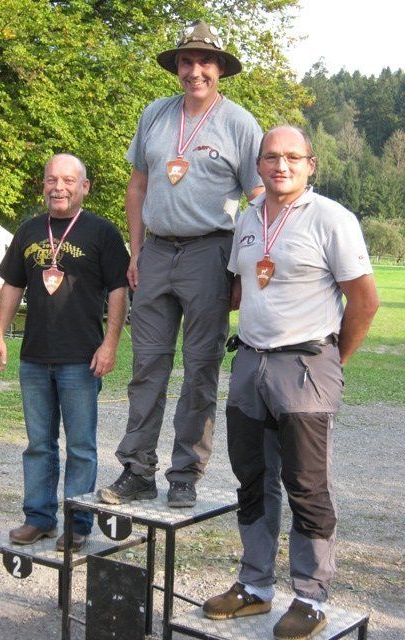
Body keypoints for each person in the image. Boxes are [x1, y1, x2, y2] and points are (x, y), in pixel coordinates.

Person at [202, 126, 379, 639]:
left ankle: (310, 597)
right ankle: (255, 586)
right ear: (258, 165)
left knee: (306, 485)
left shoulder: (332, 219)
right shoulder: (248, 219)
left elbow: (365, 301)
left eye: (293, 157)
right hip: (250, 365)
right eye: (272, 157)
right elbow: (240, 290)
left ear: (310, 164)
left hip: (305, 366)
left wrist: (331, 361)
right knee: (252, 479)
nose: (282, 165)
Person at [97, 20, 263, 509]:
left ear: (220, 69)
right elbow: (137, 187)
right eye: (186, 62)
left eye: (205, 62)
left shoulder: (239, 123)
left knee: (200, 368)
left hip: (210, 253)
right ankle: (137, 470)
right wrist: (136, 250)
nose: (195, 71)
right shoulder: (155, 114)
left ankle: (185, 474)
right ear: (176, 68)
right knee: (147, 366)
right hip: (156, 251)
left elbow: (259, 198)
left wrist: (244, 268)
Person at [0, 154, 129, 552]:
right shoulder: (29, 230)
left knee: (81, 447)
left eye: (68, 180)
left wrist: (110, 344)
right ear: (43, 185)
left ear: (84, 187)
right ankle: (39, 518)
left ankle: (78, 524)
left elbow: (119, 289)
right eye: (52, 180)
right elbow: (12, 285)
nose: (59, 187)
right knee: (38, 445)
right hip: (34, 357)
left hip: (81, 358)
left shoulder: (102, 232)